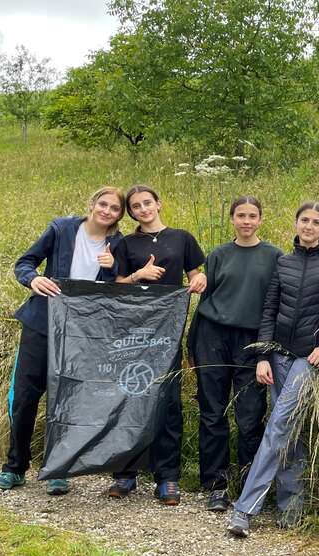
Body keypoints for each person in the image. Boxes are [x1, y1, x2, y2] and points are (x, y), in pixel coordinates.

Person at [0, 187, 126, 496]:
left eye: (114, 208)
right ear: (91, 204)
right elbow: (25, 263)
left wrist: (111, 267)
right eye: (102, 204)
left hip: (81, 332)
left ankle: (58, 470)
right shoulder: (61, 229)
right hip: (41, 323)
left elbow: (116, 289)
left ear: (119, 215)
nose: (106, 211)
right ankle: (14, 468)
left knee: (66, 400)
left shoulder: (117, 244)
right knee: (25, 397)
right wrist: (33, 279)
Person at [226, 201, 319, 537]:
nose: (308, 226)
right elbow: (269, 309)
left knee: (278, 426)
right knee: (287, 428)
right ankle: (291, 505)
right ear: (296, 222)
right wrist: (263, 355)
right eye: (304, 220)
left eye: (315, 222)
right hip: (279, 356)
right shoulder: (284, 262)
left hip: (310, 357)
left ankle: (245, 509)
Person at [107, 184, 207, 505]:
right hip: (133, 331)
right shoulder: (126, 243)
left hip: (168, 331)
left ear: (158, 203)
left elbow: (196, 274)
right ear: (131, 212)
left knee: (167, 401)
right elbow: (117, 285)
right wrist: (139, 274)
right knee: (131, 396)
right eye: (135, 207)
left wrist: (198, 280)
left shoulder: (182, 238)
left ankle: (167, 478)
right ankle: (125, 472)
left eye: (147, 203)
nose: (143, 209)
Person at [188, 196, 281, 512]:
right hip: (213, 334)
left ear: (260, 219)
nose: (246, 221)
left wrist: (267, 349)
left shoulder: (273, 257)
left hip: (252, 340)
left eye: (252, 215)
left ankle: (249, 483)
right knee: (212, 412)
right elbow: (205, 301)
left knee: (250, 414)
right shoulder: (218, 255)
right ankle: (216, 484)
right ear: (232, 219)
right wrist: (193, 345)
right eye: (240, 215)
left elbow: (276, 305)